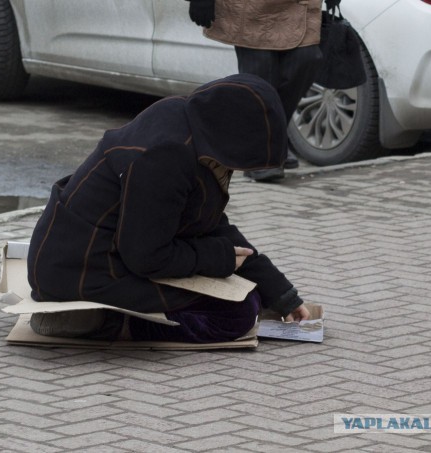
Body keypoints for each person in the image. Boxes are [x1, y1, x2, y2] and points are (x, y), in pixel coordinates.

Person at [27, 74, 309, 343]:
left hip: (102, 255)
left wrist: (280, 293)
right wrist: (219, 258)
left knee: (253, 294)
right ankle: (100, 322)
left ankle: (100, 317)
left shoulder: (191, 127)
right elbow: (146, 257)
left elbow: (205, 223)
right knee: (238, 312)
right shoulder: (166, 156)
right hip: (81, 270)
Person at [187, 0, 338, 181]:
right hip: (251, 9)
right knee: (261, 77)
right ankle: (258, 158)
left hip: (299, 7)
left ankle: (272, 142)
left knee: (307, 58)